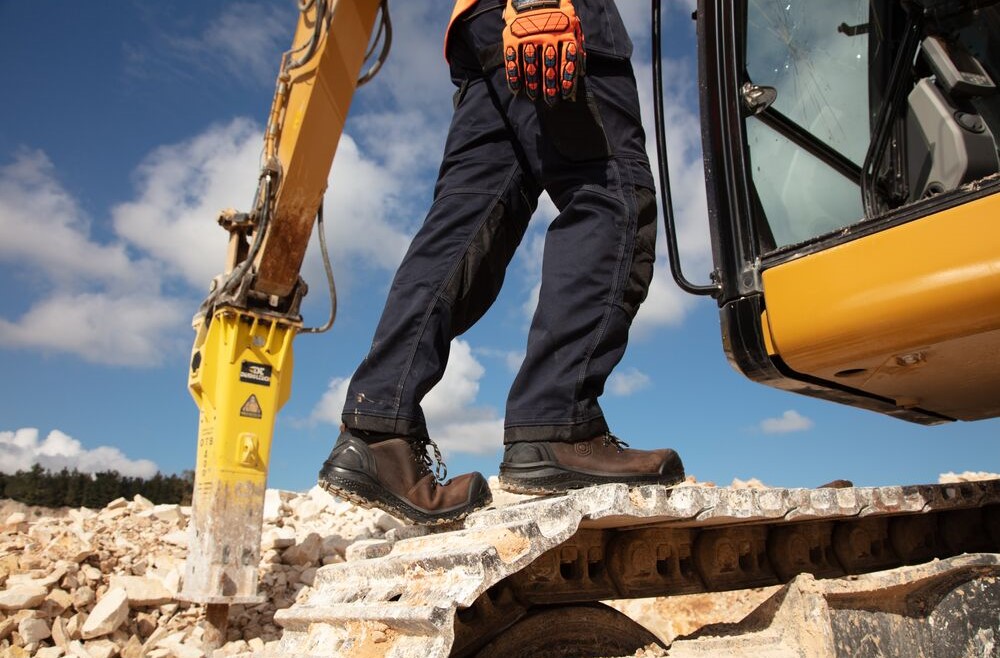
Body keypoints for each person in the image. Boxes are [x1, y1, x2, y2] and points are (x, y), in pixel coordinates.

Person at [318, 0, 684, 525]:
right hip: (547, 10)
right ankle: (559, 423)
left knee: (468, 221)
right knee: (611, 195)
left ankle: (378, 433)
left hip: (481, 27)